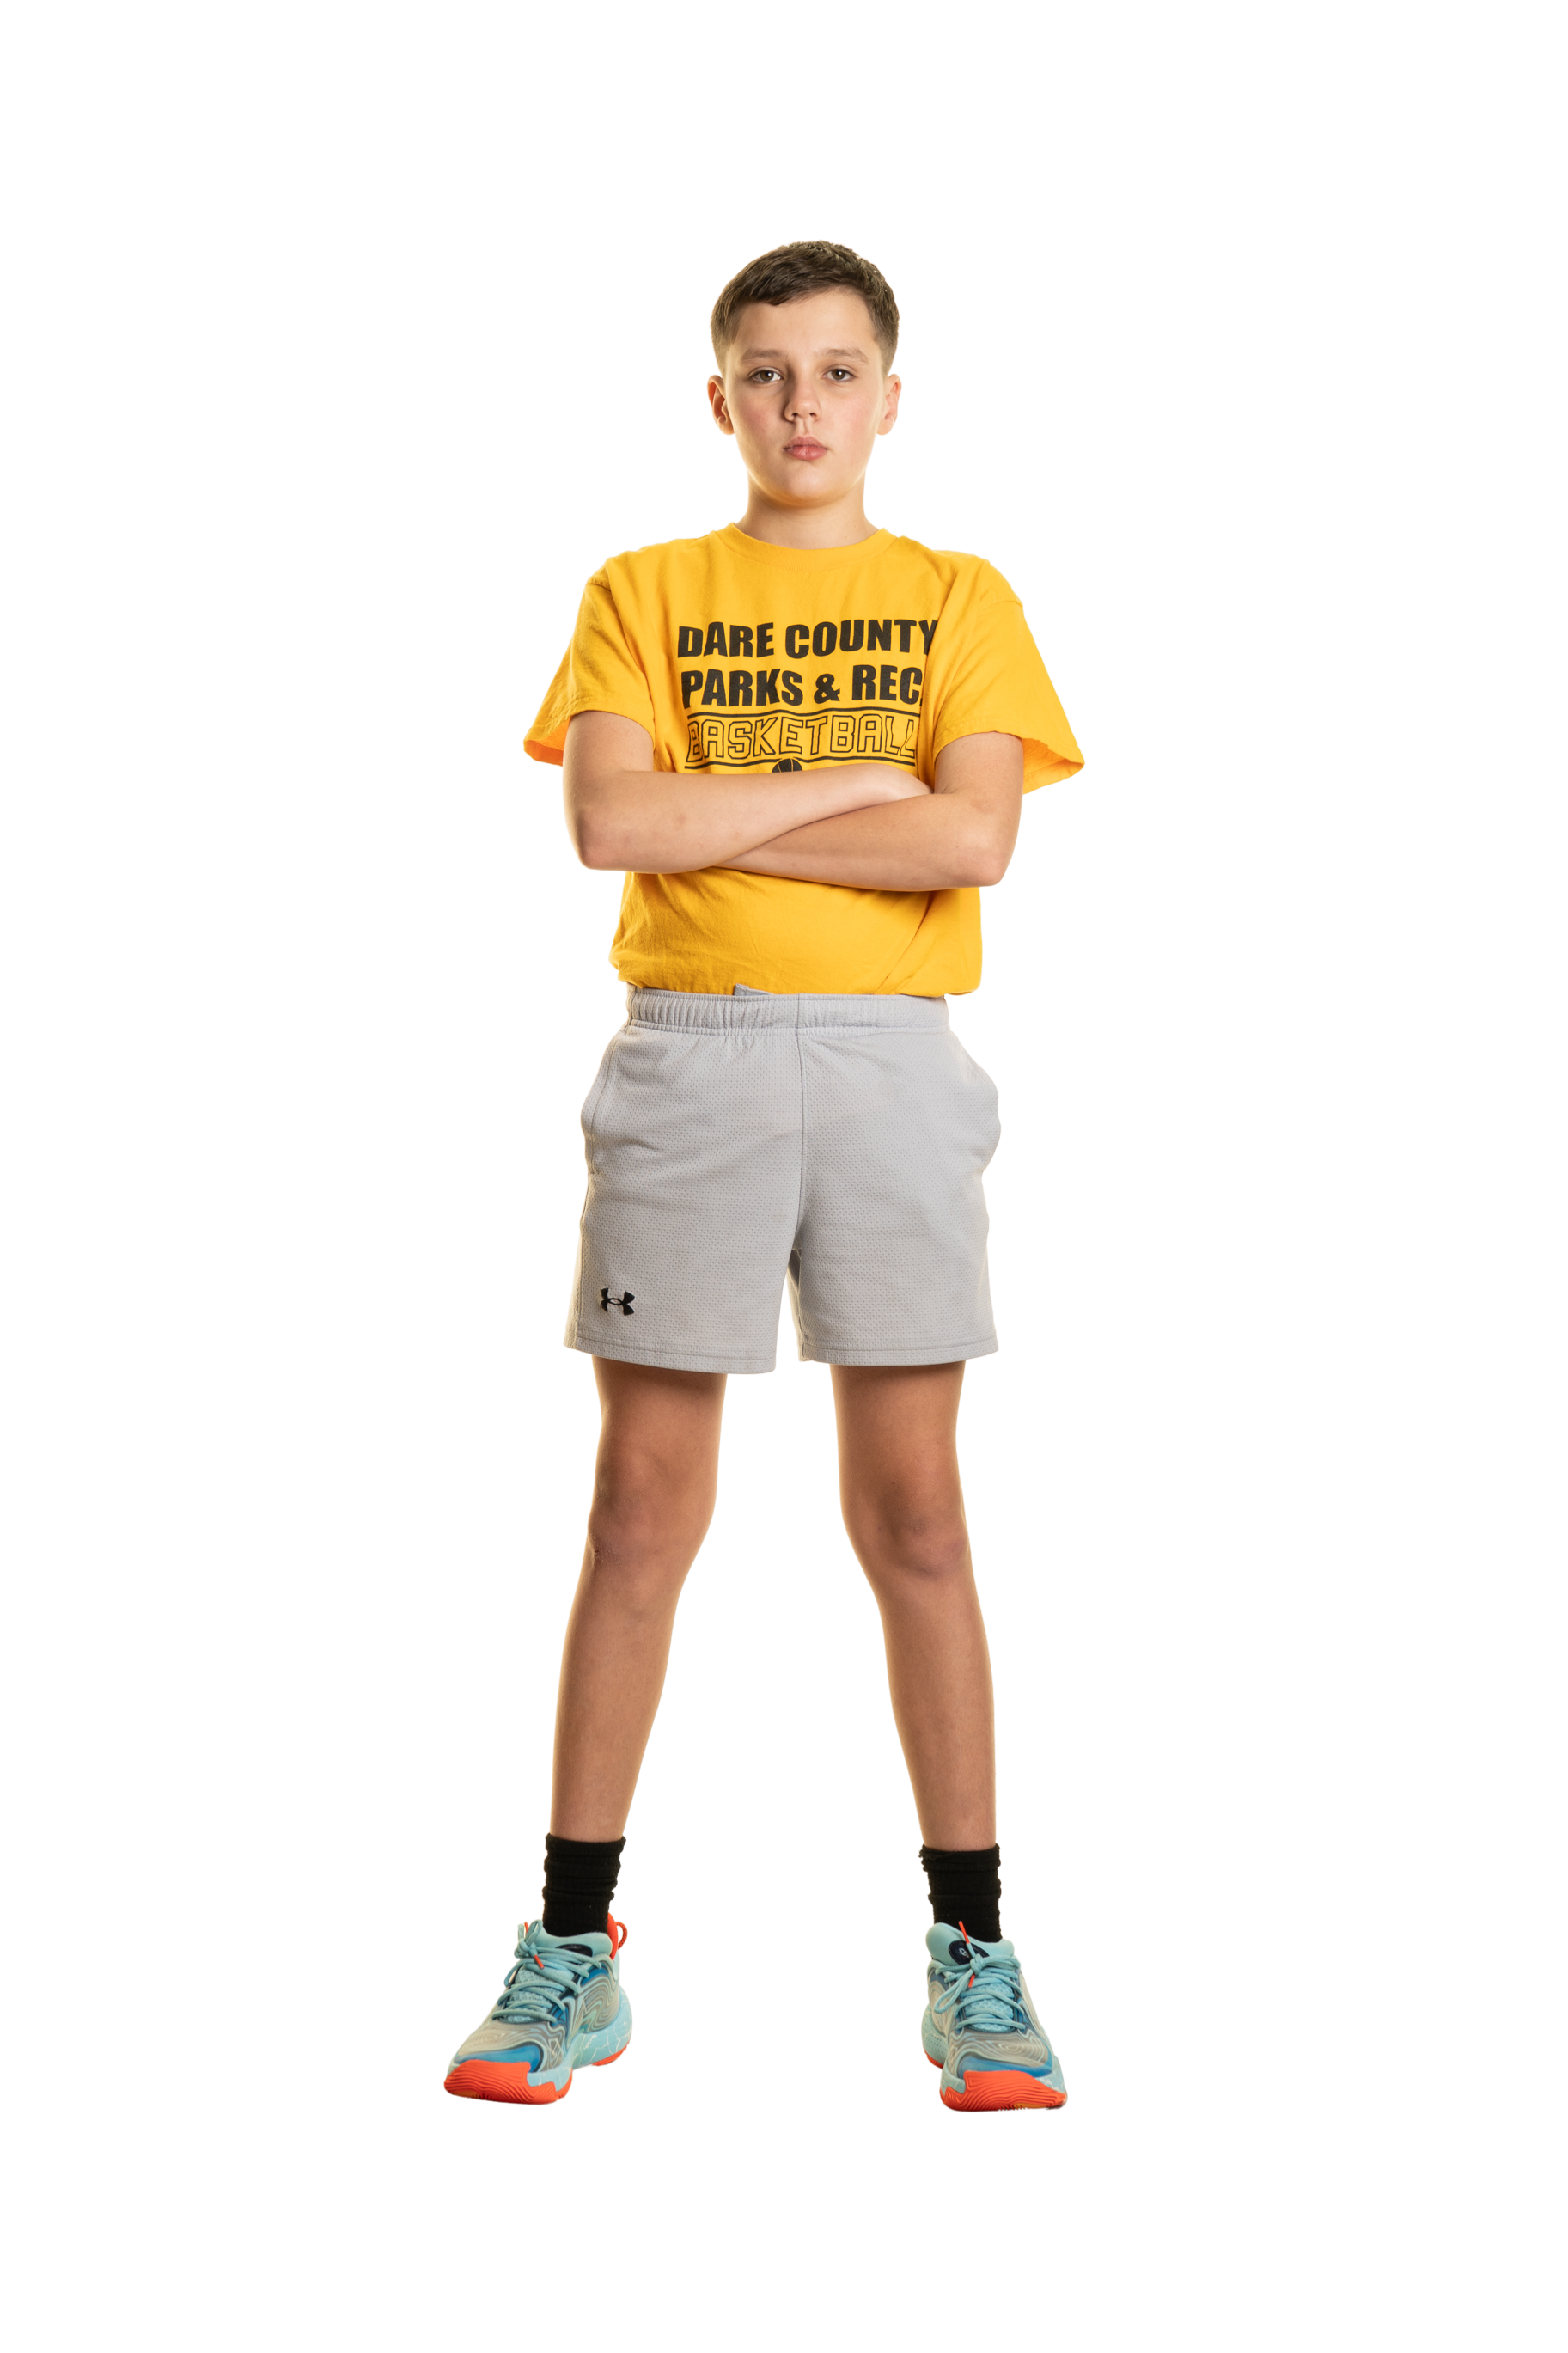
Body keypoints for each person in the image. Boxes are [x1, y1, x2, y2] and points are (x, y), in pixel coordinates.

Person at [445, 239, 1084, 2112]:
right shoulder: (640, 587)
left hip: (895, 1065)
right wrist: (857, 794)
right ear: (717, 399)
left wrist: (741, 814)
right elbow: (607, 821)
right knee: (641, 1509)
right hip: (689, 1052)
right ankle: (572, 1947)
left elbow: (977, 842)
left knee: (919, 1517)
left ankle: (978, 1952)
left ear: (891, 398)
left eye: (837, 371)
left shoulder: (960, 593)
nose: (804, 404)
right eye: (767, 373)